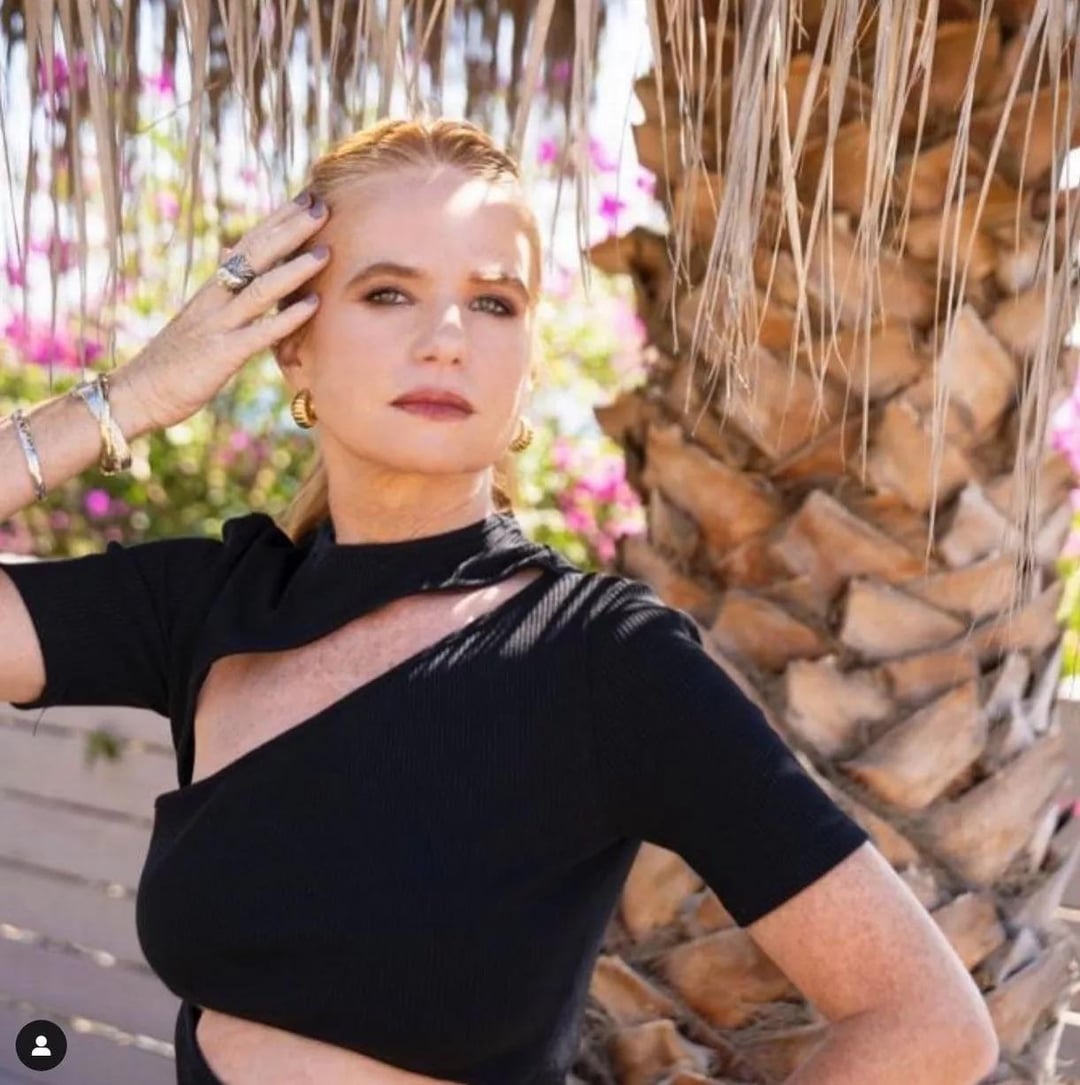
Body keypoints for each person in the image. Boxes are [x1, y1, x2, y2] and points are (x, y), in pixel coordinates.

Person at [0, 117, 1000, 1085]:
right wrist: (132, 397)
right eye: (388, 292)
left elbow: (927, 1021)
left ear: (526, 364)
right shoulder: (209, 604)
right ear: (293, 345)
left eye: (492, 303)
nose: (446, 339)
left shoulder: (604, 660)